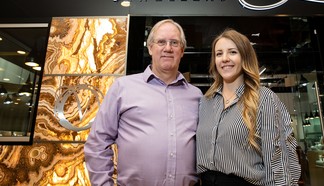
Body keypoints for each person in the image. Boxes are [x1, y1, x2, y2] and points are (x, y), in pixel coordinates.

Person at [84, 19, 203, 186]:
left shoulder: (196, 96)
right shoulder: (123, 88)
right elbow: (97, 143)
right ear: (150, 48)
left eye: (174, 43)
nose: (168, 48)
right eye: (161, 42)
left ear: (182, 50)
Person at [196, 29, 301, 186]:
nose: (224, 59)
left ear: (245, 57)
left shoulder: (264, 98)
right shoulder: (206, 101)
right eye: (219, 54)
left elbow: (276, 160)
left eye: (232, 52)